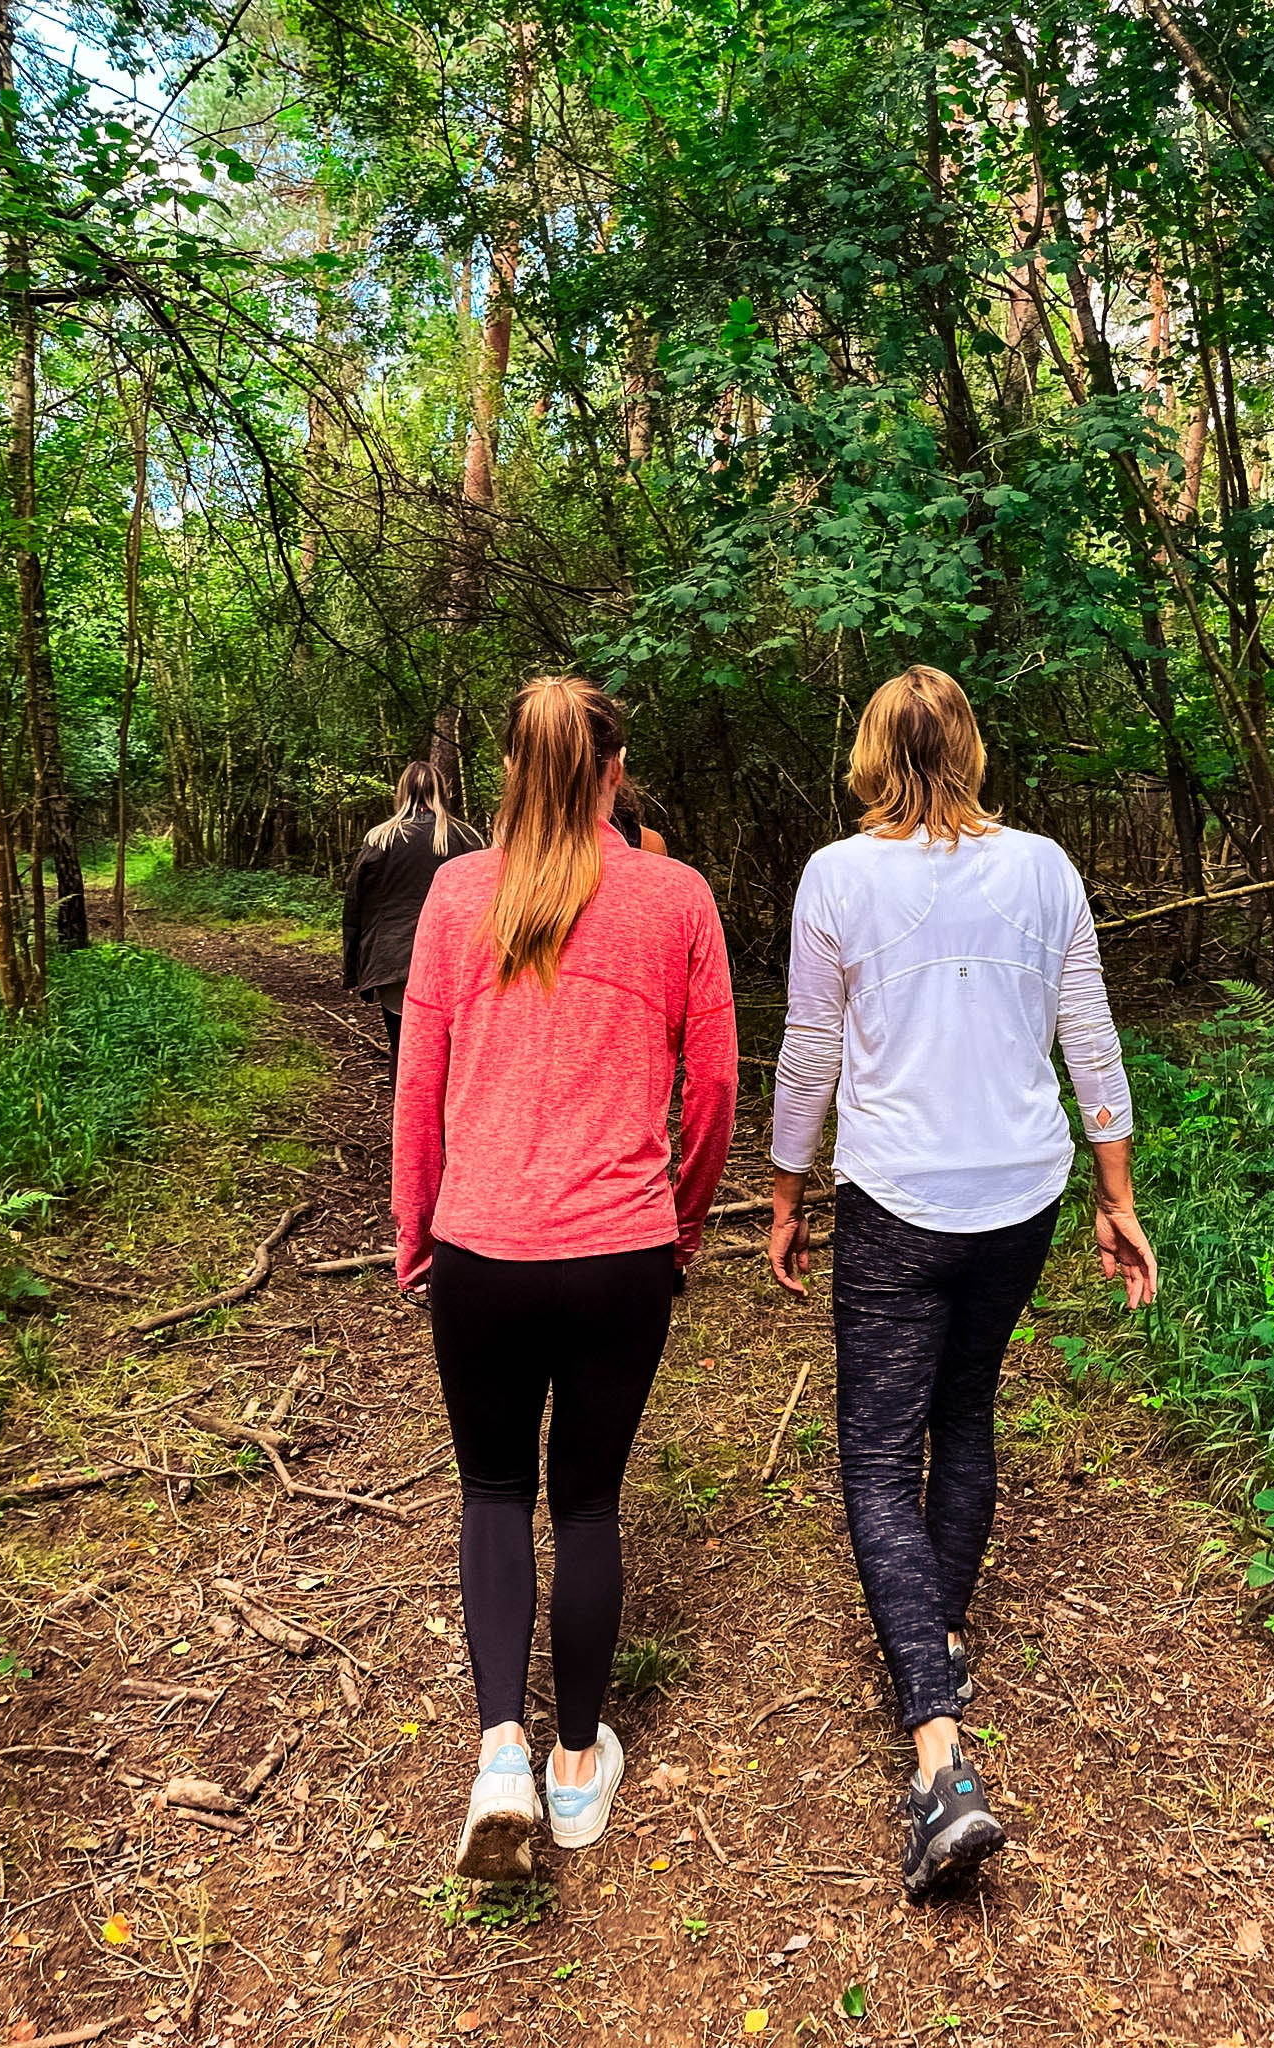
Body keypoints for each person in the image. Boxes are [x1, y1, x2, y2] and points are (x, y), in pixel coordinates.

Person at [766, 665, 1156, 1899]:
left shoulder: (839, 874)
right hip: (1021, 1195)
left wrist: (784, 1186)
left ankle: (939, 1756)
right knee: (967, 1415)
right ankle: (936, 1640)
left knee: (880, 1454)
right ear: (974, 749)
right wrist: (1117, 1191)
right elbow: (1088, 1031)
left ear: (876, 753)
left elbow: (813, 1046)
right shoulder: (1043, 866)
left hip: (896, 1198)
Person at [392, 674, 737, 1879]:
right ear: (613, 769)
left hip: (481, 1247)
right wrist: (681, 1223)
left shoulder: (454, 894)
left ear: (509, 769)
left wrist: (415, 1226)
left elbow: (418, 1079)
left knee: (494, 1491)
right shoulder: (674, 895)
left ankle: (500, 1752)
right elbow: (717, 1087)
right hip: (619, 1254)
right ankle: (579, 1762)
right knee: (586, 1498)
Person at [342, 762, 481, 1086]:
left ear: (401, 791)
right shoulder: (466, 838)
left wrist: (355, 968)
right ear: (442, 792)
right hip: (453, 962)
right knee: (453, 1053)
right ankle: (447, 1132)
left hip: (394, 962)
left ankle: (409, 1132)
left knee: (403, 1050)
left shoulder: (380, 839)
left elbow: (355, 905)